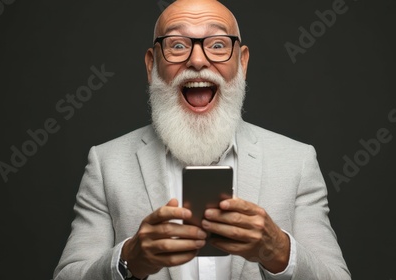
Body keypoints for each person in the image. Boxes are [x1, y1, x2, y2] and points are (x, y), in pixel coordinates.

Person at [53, 0, 351, 279]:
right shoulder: (106, 163)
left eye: (218, 44)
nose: (197, 60)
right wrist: (129, 259)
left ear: (242, 62)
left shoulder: (297, 162)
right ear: (151, 64)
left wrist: (280, 252)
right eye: (178, 45)